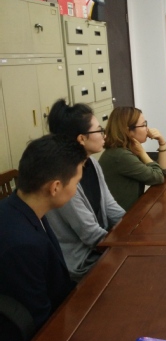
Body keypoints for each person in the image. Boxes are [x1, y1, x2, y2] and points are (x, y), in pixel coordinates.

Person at [0, 135, 87, 341]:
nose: (76, 189)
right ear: (55, 187)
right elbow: (40, 325)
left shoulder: (19, 205)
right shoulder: (22, 245)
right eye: (76, 182)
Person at [46, 99, 125, 281]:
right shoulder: (65, 177)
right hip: (82, 262)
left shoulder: (92, 163)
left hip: (100, 247)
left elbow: (110, 206)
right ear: (81, 138)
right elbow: (89, 233)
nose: (104, 134)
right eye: (99, 130)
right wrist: (125, 244)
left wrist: (133, 226)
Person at [99, 107, 166, 211]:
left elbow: (162, 173)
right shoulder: (121, 155)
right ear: (128, 131)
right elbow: (158, 177)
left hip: (132, 211)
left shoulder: (127, 148)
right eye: (143, 125)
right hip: (124, 217)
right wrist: (143, 153)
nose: (147, 129)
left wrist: (162, 143)